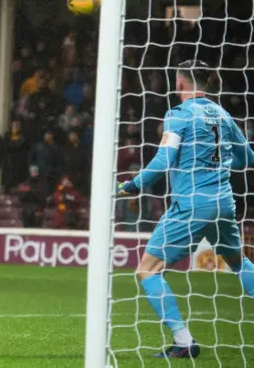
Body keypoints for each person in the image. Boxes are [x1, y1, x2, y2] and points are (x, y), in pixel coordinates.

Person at [117, 60, 254, 358]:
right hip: (224, 204)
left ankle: (184, 341)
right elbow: (248, 157)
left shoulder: (177, 115)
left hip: (191, 204)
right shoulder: (223, 114)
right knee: (240, 264)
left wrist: (134, 184)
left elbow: (163, 160)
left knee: (147, 270)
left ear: (179, 84)